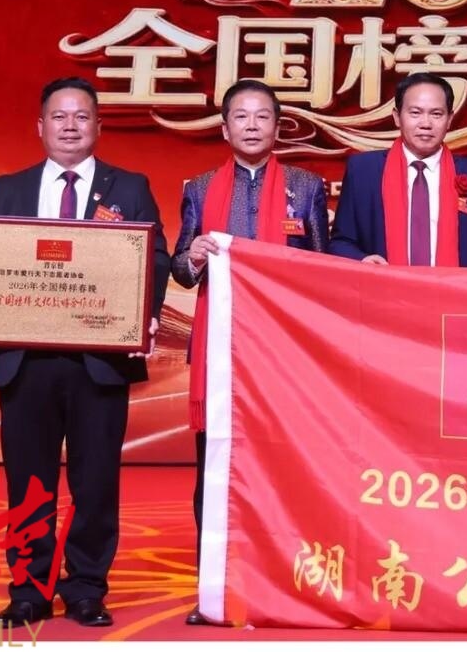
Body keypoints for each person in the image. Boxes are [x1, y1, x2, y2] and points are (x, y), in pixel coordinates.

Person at [0, 76, 170, 629]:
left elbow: (157, 256)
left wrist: (144, 310)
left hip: (100, 360)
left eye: (81, 116)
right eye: (60, 116)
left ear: (98, 125)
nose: (70, 126)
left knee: (96, 483)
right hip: (27, 360)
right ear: (40, 126)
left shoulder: (129, 186)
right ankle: (29, 590)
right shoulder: (9, 188)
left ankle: (87, 588)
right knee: (28, 482)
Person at [170, 79, 328, 626]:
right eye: (242, 116)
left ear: (277, 127)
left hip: (286, 354)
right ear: (225, 128)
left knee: (288, 468)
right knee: (216, 471)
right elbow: (181, 270)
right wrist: (193, 254)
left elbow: (322, 267)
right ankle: (214, 589)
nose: (253, 125)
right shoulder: (199, 189)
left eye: (263, 116)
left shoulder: (307, 187)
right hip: (222, 354)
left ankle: (289, 584)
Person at [330, 72, 467, 268]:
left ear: (450, 119)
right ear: (397, 117)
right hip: (383, 285)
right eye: (415, 113)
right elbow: (341, 242)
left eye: (436, 114)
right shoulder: (363, 170)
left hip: (451, 287)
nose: (426, 124)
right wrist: (363, 260)